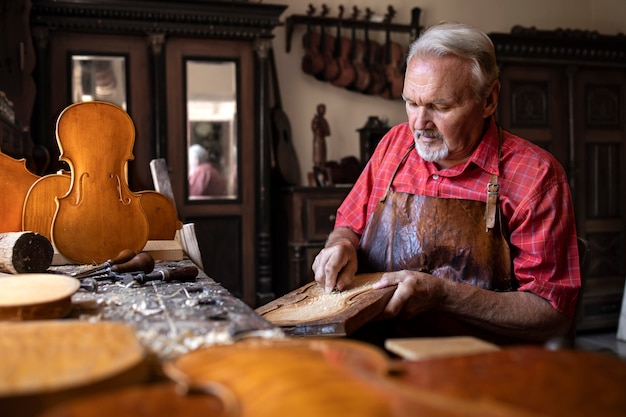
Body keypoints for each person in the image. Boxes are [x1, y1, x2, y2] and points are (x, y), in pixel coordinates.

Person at [311, 22, 581, 345]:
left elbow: (552, 314)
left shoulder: (537, 177)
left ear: (489, 100)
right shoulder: (393, 146)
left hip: (480, 365)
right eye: (411, 102)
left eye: (440, 107)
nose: (419, 123)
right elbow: (348, 226)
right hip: (378, 347)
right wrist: (339, 246)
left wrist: (443, 295)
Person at [312, 103, 330, 168]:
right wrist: (317, 122)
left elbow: (328, 132)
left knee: (323, 159)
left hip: (322, 140)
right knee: (318, 158)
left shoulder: (324, 121)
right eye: (322, 109)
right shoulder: (316, 119)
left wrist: (324, 129)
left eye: (324, 109)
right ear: (318, 110)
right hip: (318, 140)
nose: (324, 111)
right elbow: (314, 128)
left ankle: (322, 170)